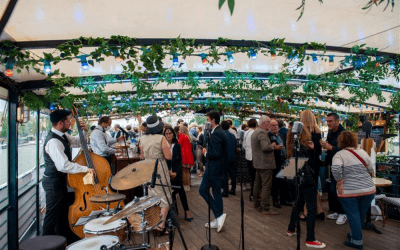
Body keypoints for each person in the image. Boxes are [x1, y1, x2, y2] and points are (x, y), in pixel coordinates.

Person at [42, 110, 95, 243]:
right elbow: (63, 165)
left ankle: (63, 240)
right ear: (60, 123)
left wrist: (84, 131)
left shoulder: (63, 135)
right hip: (53, 182)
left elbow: (78, 142)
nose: (70, 122)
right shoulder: (53, 141)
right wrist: (86, 169)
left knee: (62, 212)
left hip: (60, 181)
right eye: (68, 120)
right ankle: (44, 243)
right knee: (52, 215)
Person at [331, 131, 375, 249]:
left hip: (349, 191)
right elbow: (371, 168)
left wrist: (339, 180)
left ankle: (357, 241)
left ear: (340, 141)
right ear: (355, 141)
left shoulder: (339, 155)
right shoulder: (362, 152)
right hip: (368, 190)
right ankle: (354, 234)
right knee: (360, 215)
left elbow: (335, 169)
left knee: (353, 215)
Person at [286, 126, 326, 249]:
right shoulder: (301, 148)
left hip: (299, 181)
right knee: (311, 209)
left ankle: (291, 228)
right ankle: (310, 239)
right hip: (306, 181)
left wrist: (312, 150)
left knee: (298, 204)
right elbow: (306, 167)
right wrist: (312, 184)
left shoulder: (293, 146)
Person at [139, 115, 172, 235]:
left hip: (148, 168)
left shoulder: (142, 139)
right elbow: (168, 156)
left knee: (152, 197)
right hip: (159, 168)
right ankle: (160, 226)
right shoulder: (161, 138)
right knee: (165, 196)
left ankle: (153, 223)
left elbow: (142, 156)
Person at [199, 111, 228, 233]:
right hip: (219, 168)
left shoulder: (216, 134)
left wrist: (205, 153)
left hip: (213, 168)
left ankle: (218, 215)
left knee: (203, 190)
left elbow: (216, 153)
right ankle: (218, 218)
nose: (206, 122)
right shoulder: (219, 132)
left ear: (213, 120)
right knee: (216, 193)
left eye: (207, 119)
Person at [321, 113, 347, 225]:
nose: (328, 123)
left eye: (330, 121)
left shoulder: (344, 133)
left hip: (342, 166)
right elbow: (330, 148)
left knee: (338, 190)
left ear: (337, 121)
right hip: (333, 164)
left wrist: (330, 147)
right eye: (327, 121)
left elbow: (345, 150)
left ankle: (343, 213)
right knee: (332, 190)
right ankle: (337, 211)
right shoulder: (330, 132)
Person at [251, 115, 280, 215]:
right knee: (266, 186)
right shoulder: (262, 133)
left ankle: (256, 204)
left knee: (257, 185)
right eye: (268, 122)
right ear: (264, 123)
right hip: (265, 164)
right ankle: (265, 208)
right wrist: (273, 146)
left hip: (258, 163)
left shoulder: (255, 132)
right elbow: (265, 147)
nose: (270, 125)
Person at [164, 126, 193, 222]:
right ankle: (171, 213)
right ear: (164, 135)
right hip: (166, 173)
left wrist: (175, 172)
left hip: (176, 172)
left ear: (173, 134)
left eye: (170, 133)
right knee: (169, 192)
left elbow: (179, 160)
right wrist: (168, 172)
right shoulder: (163, 146)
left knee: (181, 190)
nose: (168, 135)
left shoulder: (177, 146)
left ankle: (186, 210)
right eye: (166, 133)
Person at [300, 110, 325, 220]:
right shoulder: (318, 132)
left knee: (307, 187)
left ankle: (306, 212)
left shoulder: (302, 132)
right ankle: (319, 211)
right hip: (316, 162)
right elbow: (319, 151)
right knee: (314, 187)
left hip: (305, 162)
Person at [268, 119, 290, 208]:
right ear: (269, 127)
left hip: (283, 160)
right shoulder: (269, 135)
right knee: (276, 182)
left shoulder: (280, 135)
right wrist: (276, 148)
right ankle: (275, 200)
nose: (275, 127)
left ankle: (283, 200)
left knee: (284, 181)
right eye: (273, 125)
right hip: (275, 161)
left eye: (276, 125)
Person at [221, 120, 238, 196]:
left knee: (224, 174)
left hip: (224, 158)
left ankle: (225, 191)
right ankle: (233, 189)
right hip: (233, 157)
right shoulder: (232, 135)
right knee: (232, 174)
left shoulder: (221, 135)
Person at [243, 119, 257, 201]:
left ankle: (252, 193)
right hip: (254, 157)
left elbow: (244, 145)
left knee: (252, 176)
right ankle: (253, 193)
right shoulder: (255, 133)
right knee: (255, 177)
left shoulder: (246, 132)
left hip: (248, 156)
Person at [178, 125, 195, 192]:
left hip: (184, 155)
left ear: (182, 130)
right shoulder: (189, 137)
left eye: (180, 129)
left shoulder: (181, 136)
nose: (179, 131)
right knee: (187, 171)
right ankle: (188, 185)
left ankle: (185, 186)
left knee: (183, 171)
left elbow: (179, 144)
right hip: (189, 155)